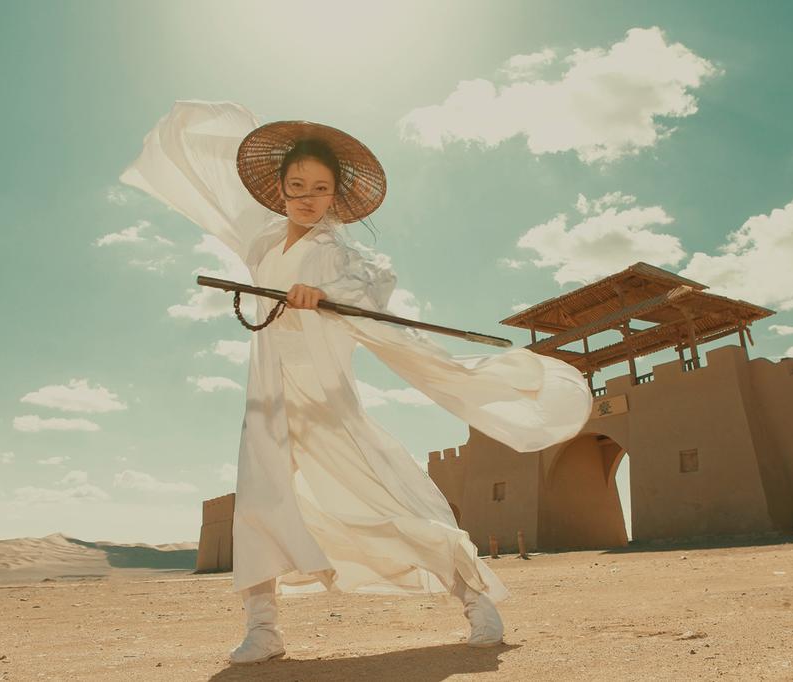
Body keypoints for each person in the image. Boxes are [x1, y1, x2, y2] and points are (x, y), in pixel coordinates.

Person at [119, 100, 594, 664]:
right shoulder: (263, 241)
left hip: (323, 398)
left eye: (320, 188)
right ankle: (264, 626)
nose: (306, 197)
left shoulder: (338, 254)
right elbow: (218, 196)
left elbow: (368, 300)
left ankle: (474, 597)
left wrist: (327, 300)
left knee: (383, 497)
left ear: (335, 195)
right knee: (260, 500)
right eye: (296, 185)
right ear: (279, 187)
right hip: (268, 395)